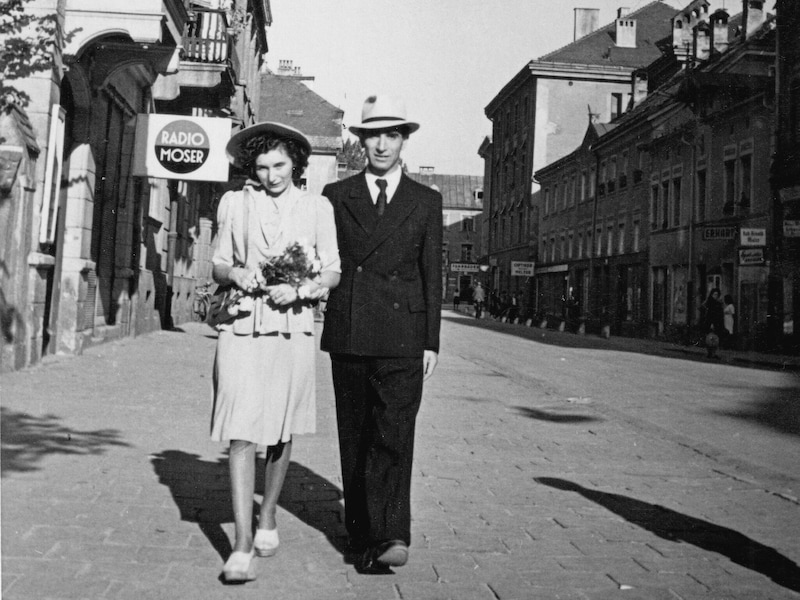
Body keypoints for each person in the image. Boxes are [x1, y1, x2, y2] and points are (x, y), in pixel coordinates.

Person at [210, 122, 341, 582]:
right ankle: (242, 543)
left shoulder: (317, 207)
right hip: (243, 325)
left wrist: (302, 289)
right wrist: (236, 274)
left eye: (280, 165)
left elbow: (332, 271)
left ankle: (268, 514)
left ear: (296, 164)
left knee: (282, 428)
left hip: (293, 326)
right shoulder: (234, 203)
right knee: (240, 428)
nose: (271, 175)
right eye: (263, 166)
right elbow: (218, 261)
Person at [321, 95, 443, 573]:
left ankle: (391, 532)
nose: (382, 144)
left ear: (403, 141)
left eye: (391, 135)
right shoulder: (336, 196)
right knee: (355, 435)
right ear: (361, 140)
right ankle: (360, 529)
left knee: (394, 432)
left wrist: (431, 340)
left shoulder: (426, 201)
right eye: (373, 135)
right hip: (350, 328)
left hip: (402, 334)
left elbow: (432, 272)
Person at [702, 288, 724, 358]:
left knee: (716, 338)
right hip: (710, 321)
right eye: (714, 294)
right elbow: (703, 307)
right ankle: (709, 352)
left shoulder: (719, 302)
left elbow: (720, 312)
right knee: (709, 338)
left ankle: (714, 353)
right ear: (711, 294)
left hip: (717, 322)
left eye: (717, 294)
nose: (716, 296)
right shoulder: (709, 302)